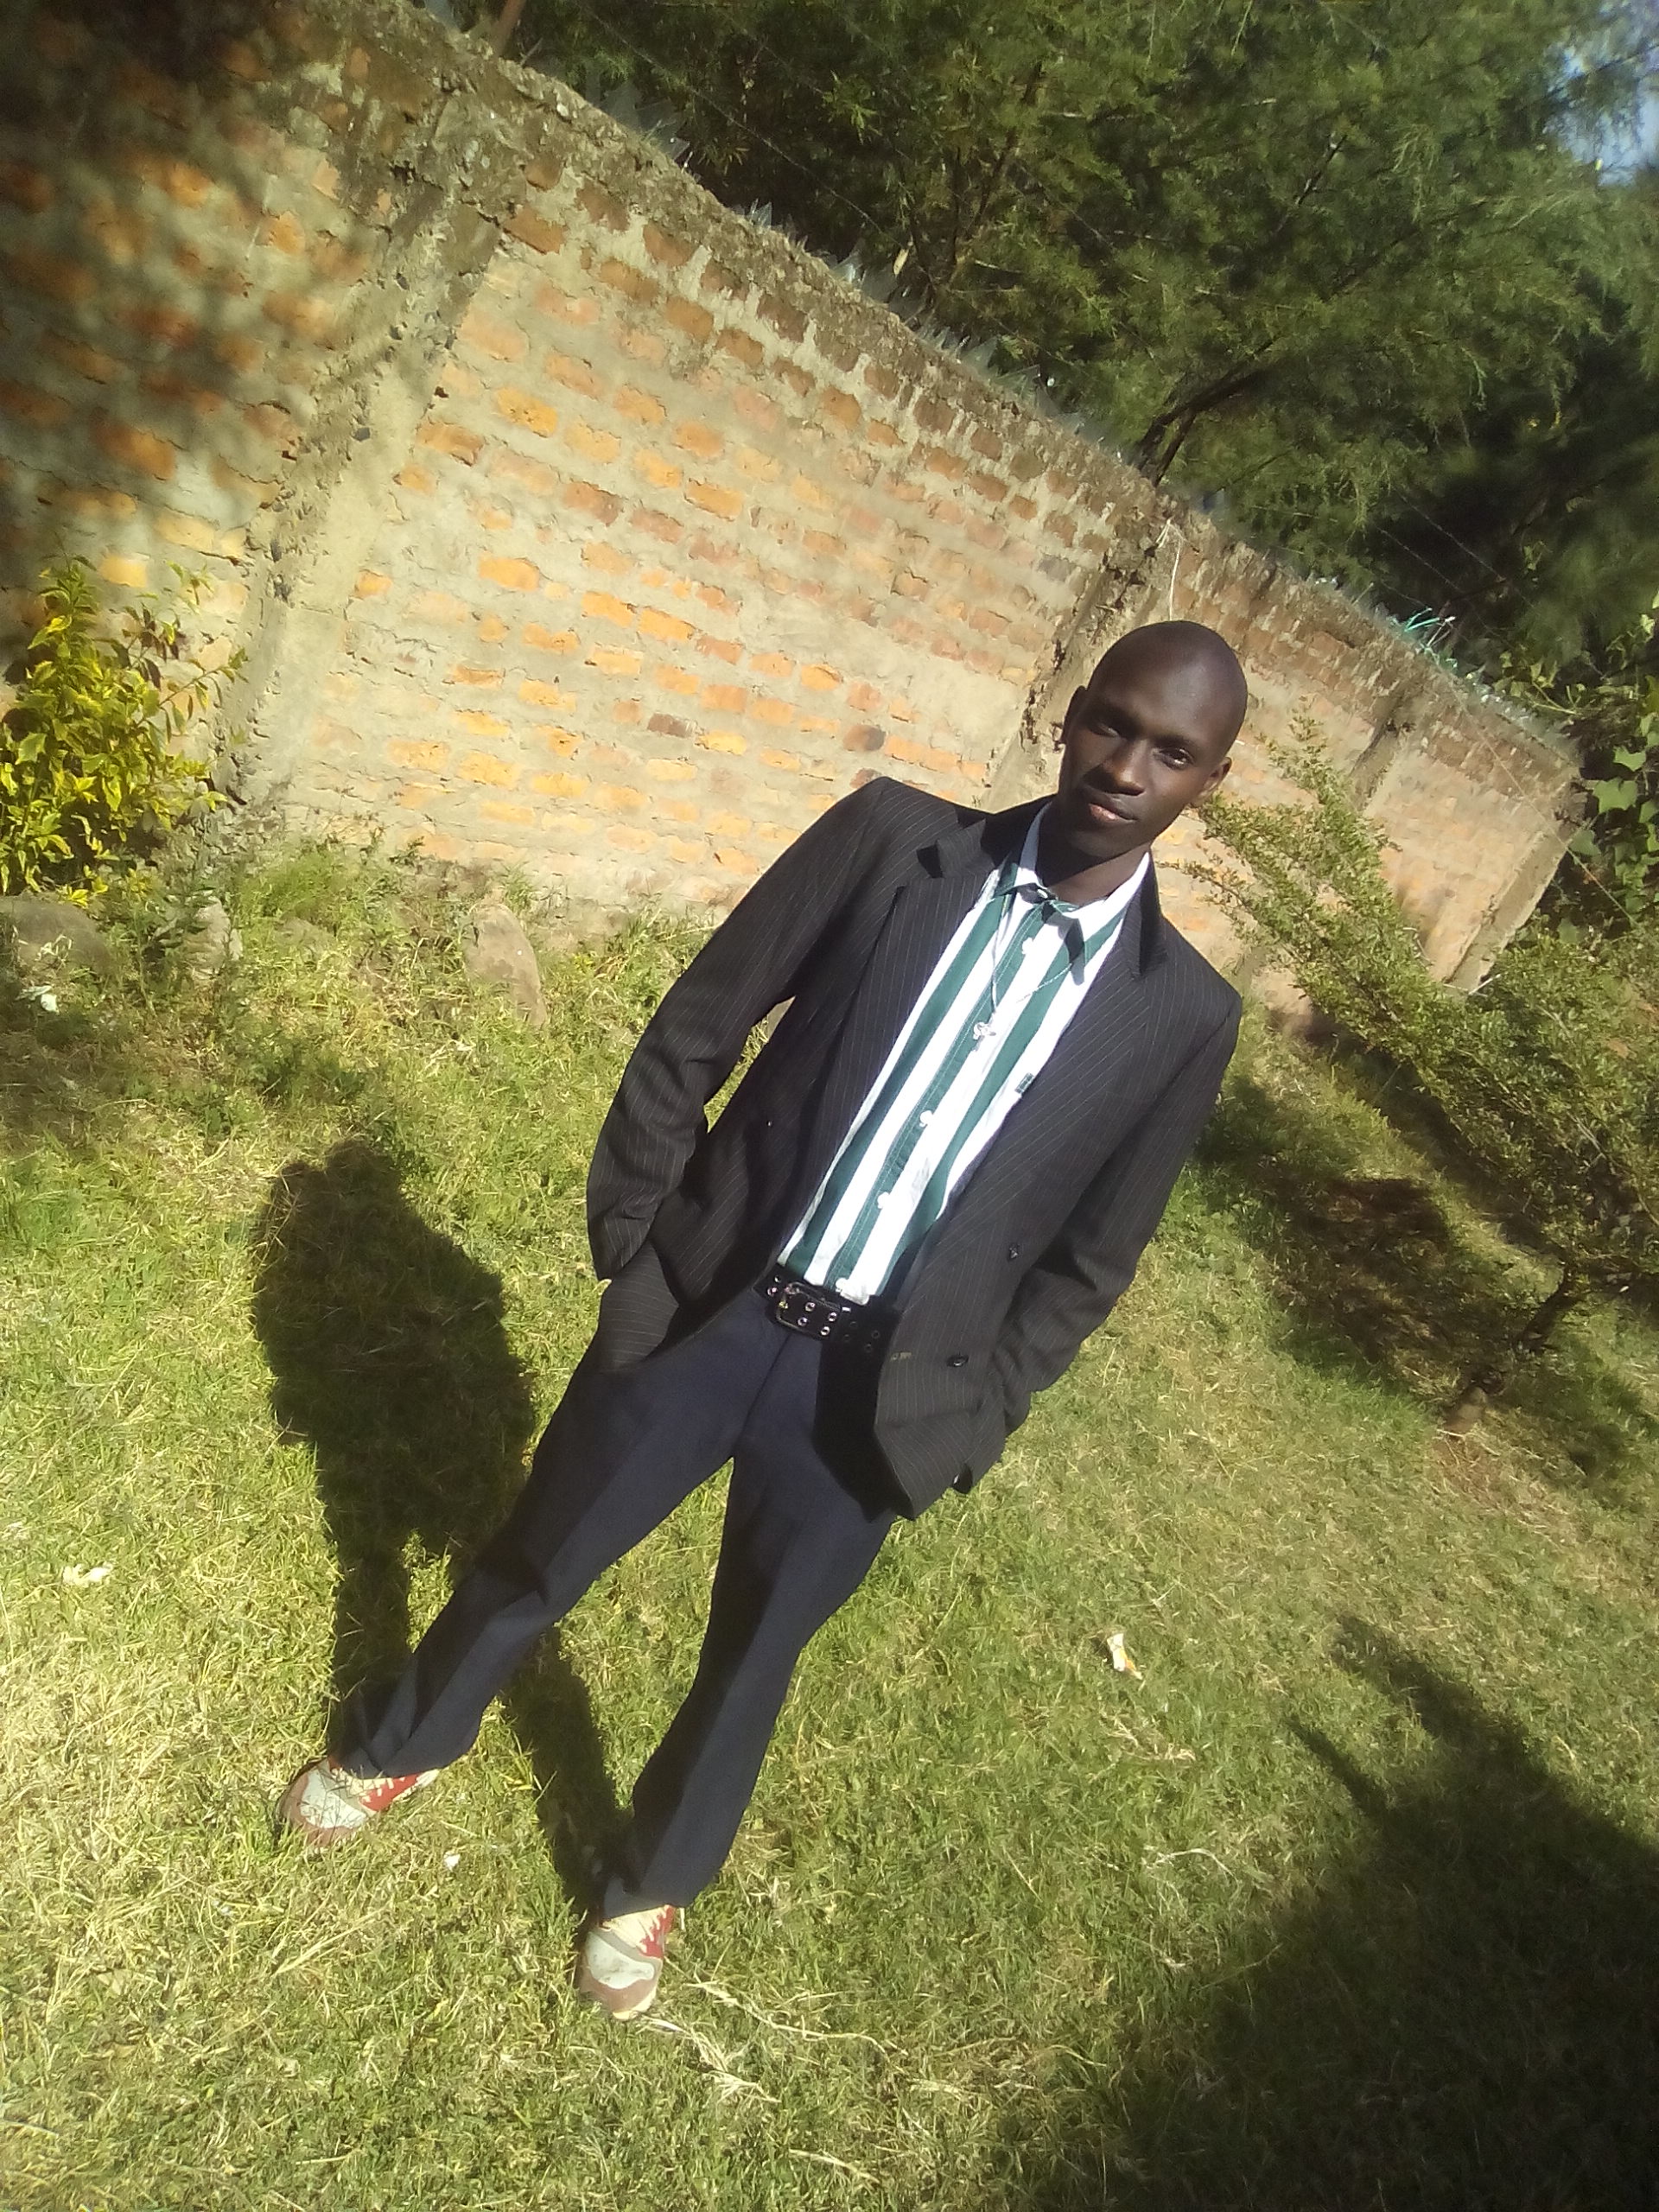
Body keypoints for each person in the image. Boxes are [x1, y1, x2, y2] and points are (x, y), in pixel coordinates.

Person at [279, 618, 1249, 2019]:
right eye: (1113, 722)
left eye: (1172, 751)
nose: (1126, 767)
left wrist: (977, 1413)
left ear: (1210, 781)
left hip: (876, 1394)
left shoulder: (1181, 1013)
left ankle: (652, 1878)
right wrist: (641, 1237)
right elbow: (702, 1020)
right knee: (540, 1551)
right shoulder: (895, 842)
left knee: (753, 1657)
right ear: (1070, 713)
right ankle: (406, 1737)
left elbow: (1093, 1262)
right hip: (710, 1305)